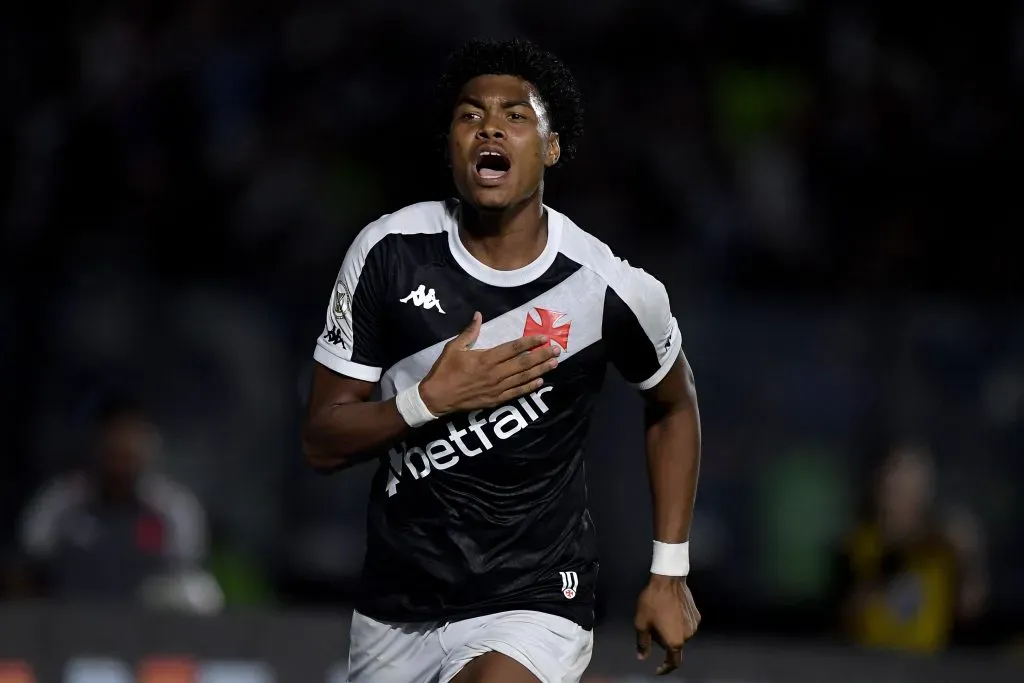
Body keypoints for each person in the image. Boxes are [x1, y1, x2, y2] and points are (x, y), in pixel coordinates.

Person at [302, 38, 701, 683]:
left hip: (535, 594)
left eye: (516, 116)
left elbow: (674, 405)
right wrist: (426, 402)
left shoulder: (609, 288)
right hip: (396, 605)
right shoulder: (388, 253)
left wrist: (669, 571)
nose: (490, 127)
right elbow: (321, 442)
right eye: (471, 115)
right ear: (452, 147)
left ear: (551, 147)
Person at [18, 394, 214, 610]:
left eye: (133, 437)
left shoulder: (174, 506)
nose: (124, 445)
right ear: (98, 442)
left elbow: (186, 576)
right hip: (69, 619)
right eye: (116, 435)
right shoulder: (60, 500)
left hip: (147, 623)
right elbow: (31, 564)